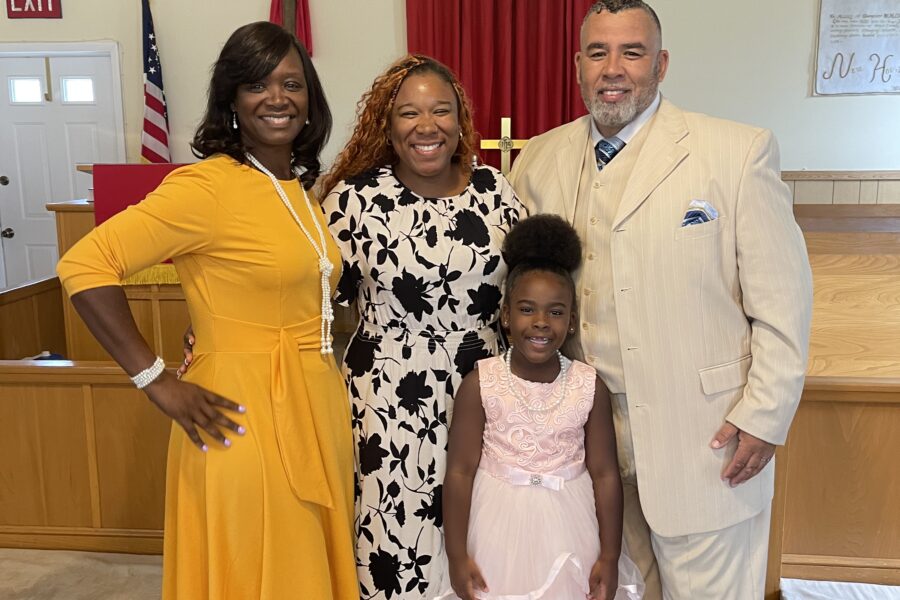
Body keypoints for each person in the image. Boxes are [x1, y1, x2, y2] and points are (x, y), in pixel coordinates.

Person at [508, 1, 813, 598]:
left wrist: (765, 416)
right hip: (583, 449)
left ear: (661, 64)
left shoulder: (736, 151)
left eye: (632, 52)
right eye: (598, 53)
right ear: (577, 66)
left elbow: (784, 301)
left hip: (705, 441)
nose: (613, 69)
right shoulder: (537, 159)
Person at [56, 22, 358, 599]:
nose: (277, 98)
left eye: (291, 83)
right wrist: (155, 379)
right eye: (257, 85)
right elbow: (85, 264)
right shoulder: (207, 186)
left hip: (314, 404)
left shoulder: (298, 188)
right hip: (242, 414)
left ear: (310, 98)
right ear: (231, 100)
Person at [322, 55, 526, 598]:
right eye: (409, 113)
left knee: (487, 544)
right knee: (397, 544)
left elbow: (532, 288)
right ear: (387, 126)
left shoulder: (495, 190)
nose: (426, 125)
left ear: (460, 120)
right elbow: (307, 294)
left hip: (488, 397)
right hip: (388, 403)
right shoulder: (354, 202)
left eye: (441, 110)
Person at [439, 215, 643, 600]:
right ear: (506, 315)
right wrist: (456, 555)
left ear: (571, 321)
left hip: (570, 529)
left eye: (556, 312)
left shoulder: (588, 386)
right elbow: (460, 472)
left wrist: (610, 556)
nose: (541, 322)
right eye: (527, 309)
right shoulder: (480, 383)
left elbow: (605, 475)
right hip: (495, 530)